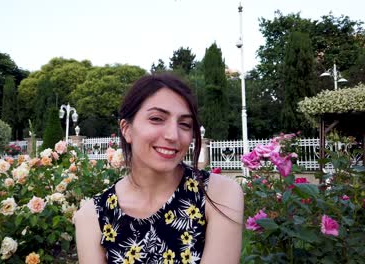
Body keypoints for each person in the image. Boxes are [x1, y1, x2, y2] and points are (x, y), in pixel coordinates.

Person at [74, 74, 244, 263]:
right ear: (126, 129)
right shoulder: (93, 216)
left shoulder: (218, 194)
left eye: (185, 124)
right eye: (156, 118)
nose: (173, 135)